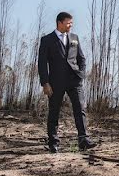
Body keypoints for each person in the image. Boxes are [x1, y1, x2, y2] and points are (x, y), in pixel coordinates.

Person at [37, 11, 97, 152]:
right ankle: (53, 142)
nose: (71, 25)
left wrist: (81, 74)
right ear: (60, 23)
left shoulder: (74, 38)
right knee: (54, 111)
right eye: (68, 23)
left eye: (71, 23)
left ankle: (83, 139)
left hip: (74, 81)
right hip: (55, 82)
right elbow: (41, 63)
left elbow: (81, 58)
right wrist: (45, 83)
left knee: (80, 108)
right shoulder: (47, 40)